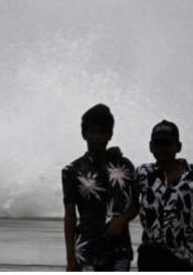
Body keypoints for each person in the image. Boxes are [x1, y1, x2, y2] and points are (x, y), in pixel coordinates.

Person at [126, 120, 193, 271]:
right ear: (151, 146)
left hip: (185, 258)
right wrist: (113, 157)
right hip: (151, 256)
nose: (162, 148)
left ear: (178, 146)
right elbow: (125, 197)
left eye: (167, 143)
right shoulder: (143, 173)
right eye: (158, 144)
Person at [61, 104, 136, 271]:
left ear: (110, 135)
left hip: (119, 251)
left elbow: (136, 204)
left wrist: (122, 220)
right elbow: (70, 216)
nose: (97, 137)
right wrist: (70, 258)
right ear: (84, 134)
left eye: (102, 132)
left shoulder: (124, 166)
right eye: (92, 132)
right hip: (86, 251)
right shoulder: (72, 171)